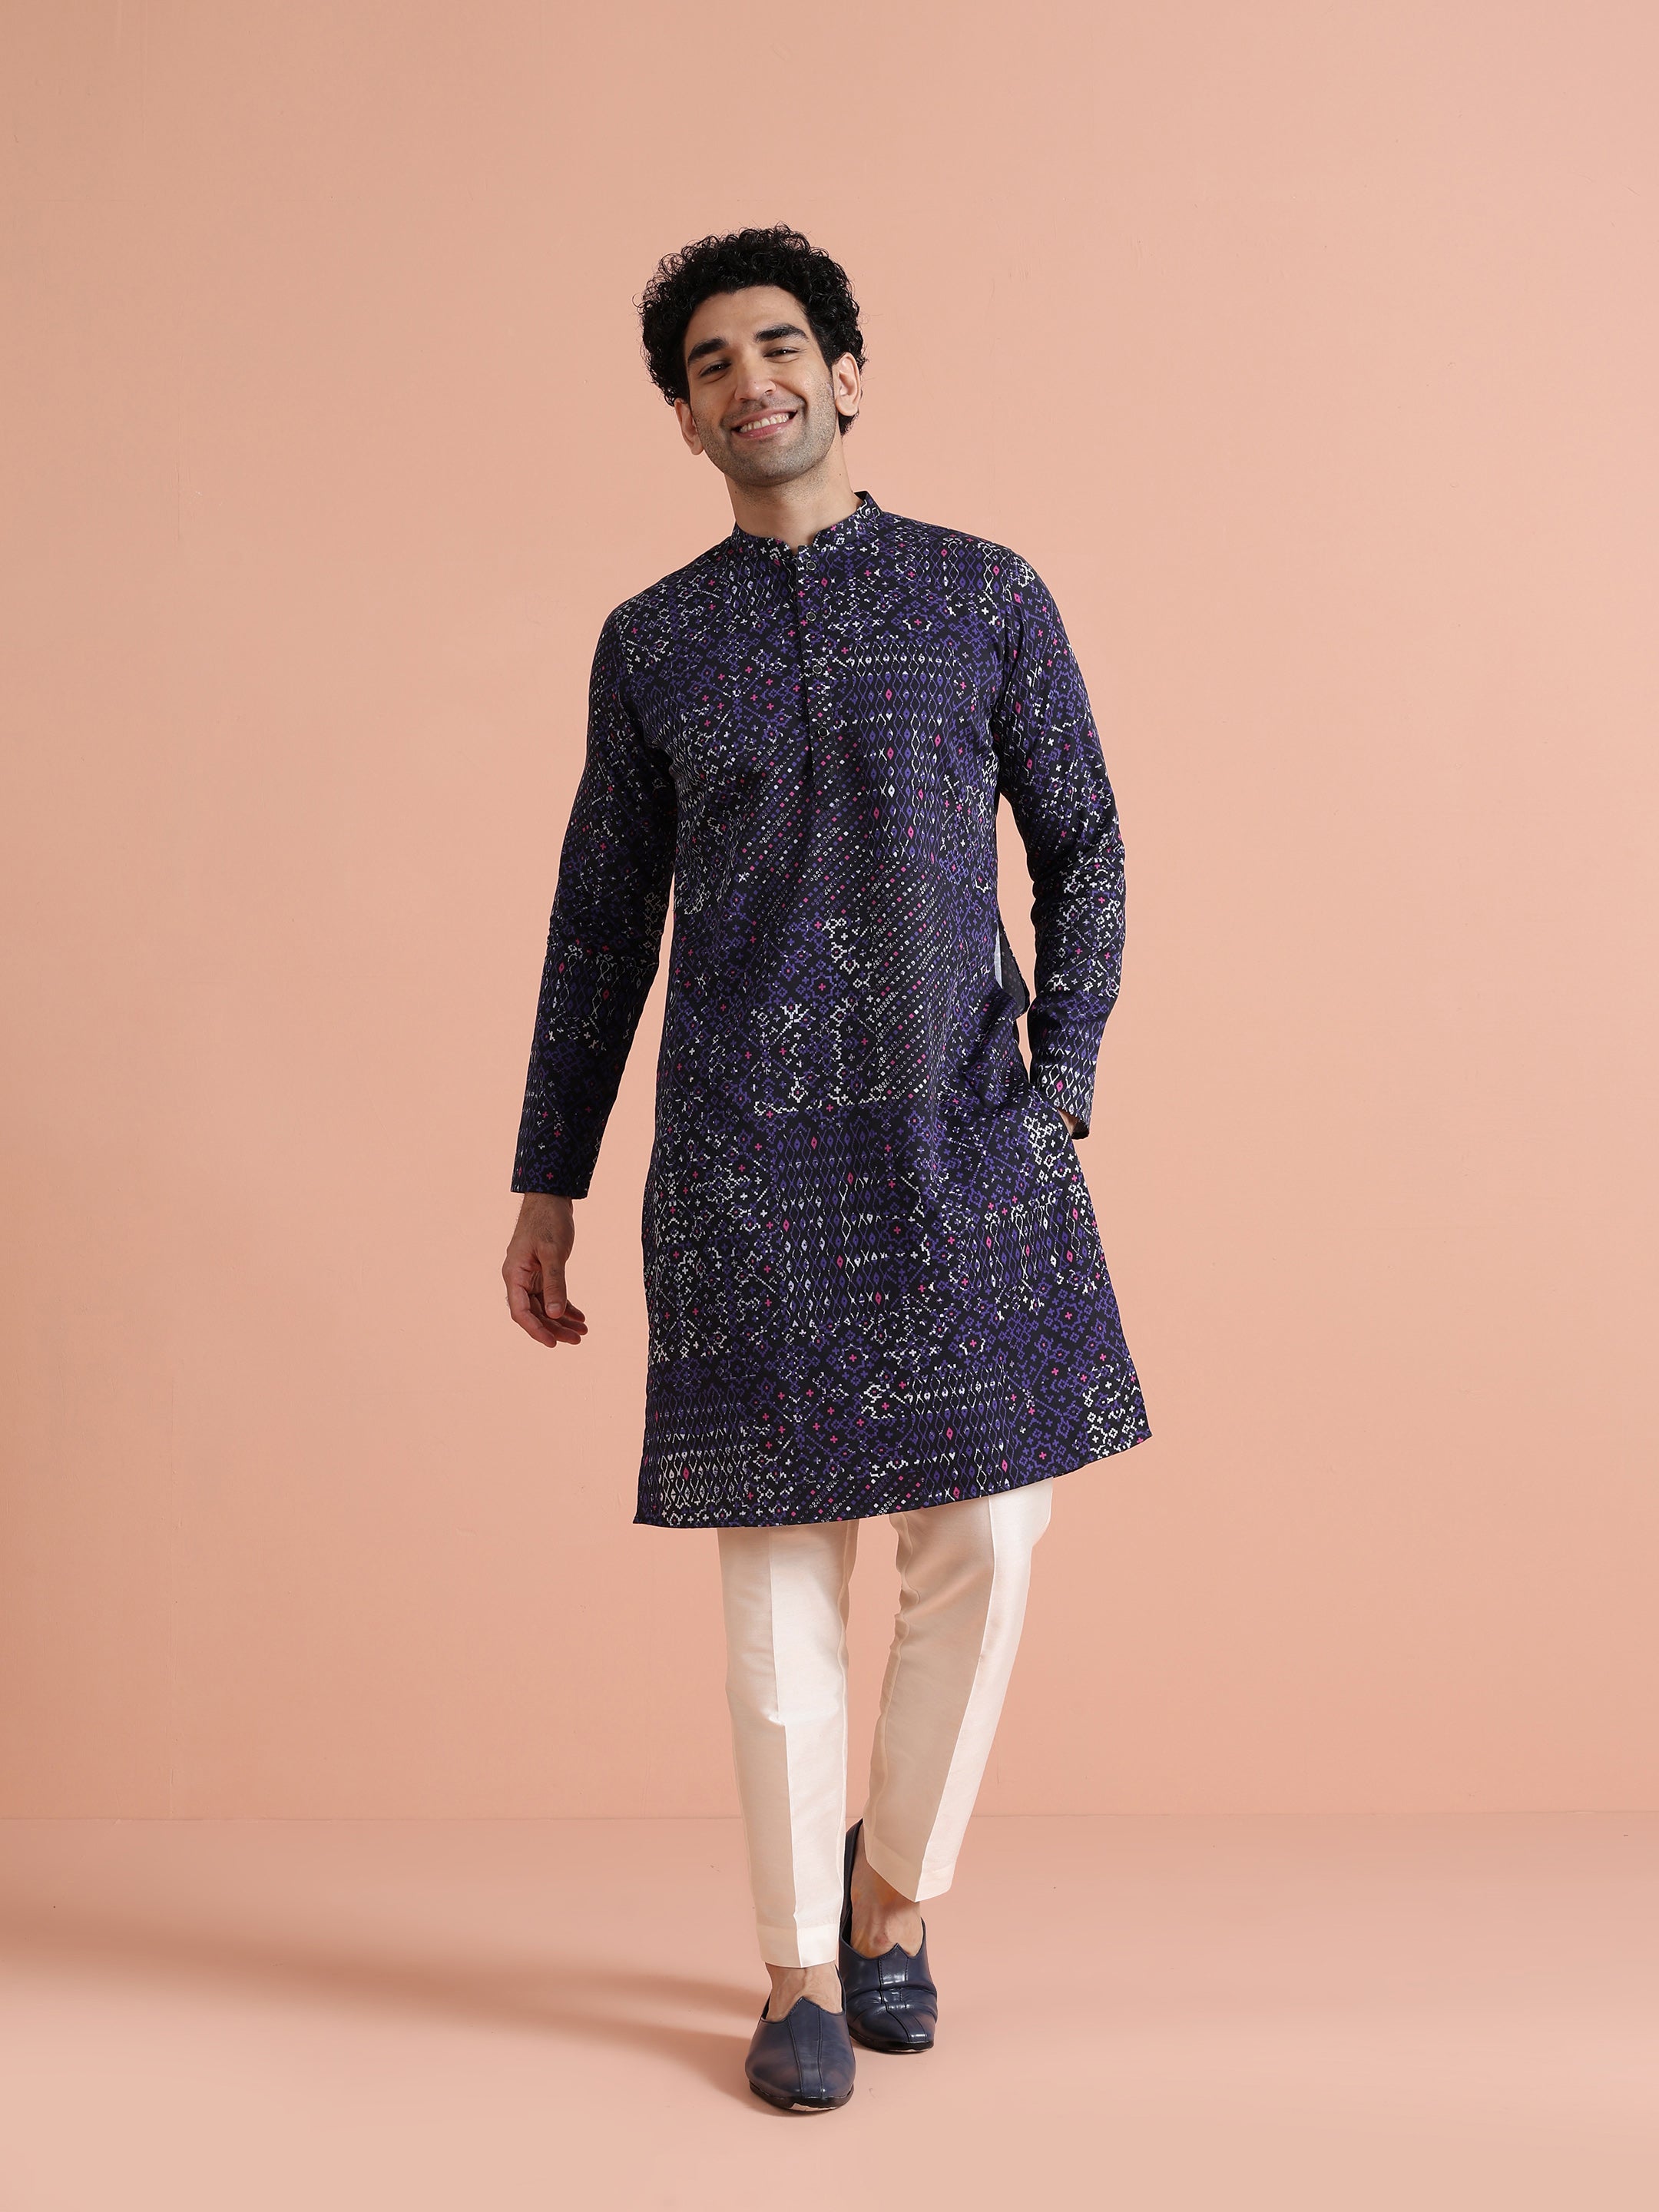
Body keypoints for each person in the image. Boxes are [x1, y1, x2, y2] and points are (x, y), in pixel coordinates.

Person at [502, 225, 1150, 2111]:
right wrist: (547, 1176)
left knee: (991, 1543)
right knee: (777, 1581)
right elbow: (598, 925)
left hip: (963, 1141)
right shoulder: (653, 644)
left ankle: (893, 1898)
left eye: (779, 345)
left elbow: (1087, 841)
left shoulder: (982, 594)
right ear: (684, 416)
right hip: (742, 1160)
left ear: (847, 372)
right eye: (709, 364)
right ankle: (798, 1970)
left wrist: (1063, 1077)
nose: (751, 382)